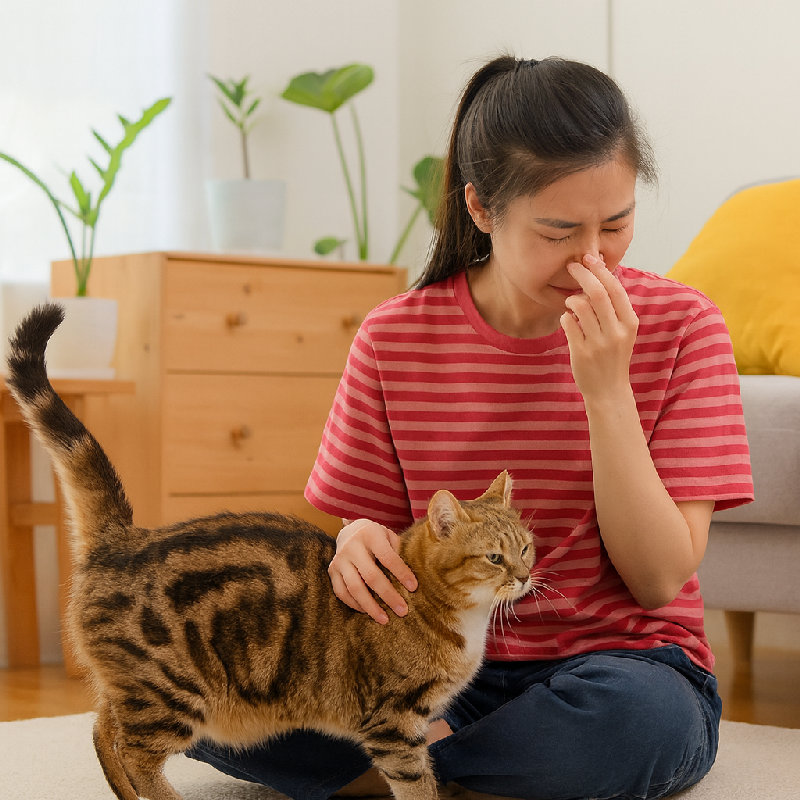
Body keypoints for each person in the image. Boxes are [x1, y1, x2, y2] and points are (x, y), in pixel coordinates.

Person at [191, 55, 753, 800]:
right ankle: (464, 770)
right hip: (416, 667)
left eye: (616, 223)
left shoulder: (685, 328)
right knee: (205, 698)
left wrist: (608, 395)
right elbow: (368, 531)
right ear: (482, 208)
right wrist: (354, 542)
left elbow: (656, 580)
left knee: (635, 724)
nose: (594, 257)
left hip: (618, 666)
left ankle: (422, 769)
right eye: (558, 231)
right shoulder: (394, 336)